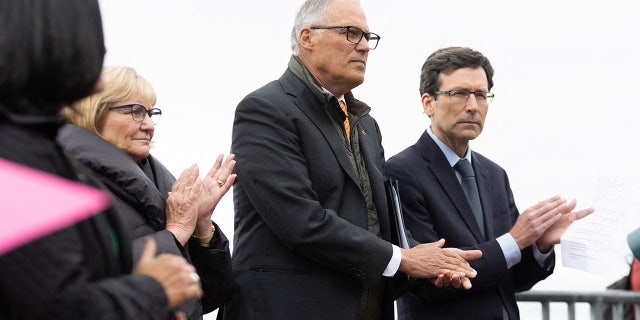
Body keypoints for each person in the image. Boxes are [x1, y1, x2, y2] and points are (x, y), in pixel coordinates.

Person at [221, 1, 482, 319]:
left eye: (367, 37)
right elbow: (302, 223)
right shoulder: (265, 109)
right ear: (307, 37)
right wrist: (404, 259)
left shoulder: (365, 125)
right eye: (350, 33)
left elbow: (376, 222)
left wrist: (428, 261)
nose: (363, 47)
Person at [0, 0, 204, 319]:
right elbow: (57, 307)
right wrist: (152, 290)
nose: (104, 50)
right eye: (90, 36)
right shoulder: (18, 159)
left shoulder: (38, 148)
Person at [385, 46, 594, 319]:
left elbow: (513, 279)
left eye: (481, 95)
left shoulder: (494, 174)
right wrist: (515, 239)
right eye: (459, 93)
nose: (473, 106)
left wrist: (539, 245)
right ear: (428, 103)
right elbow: (425, 282)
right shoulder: (401, 171)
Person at [58, 66, 235, 319]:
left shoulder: (157, 184)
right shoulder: (66, 180)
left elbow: (207, 296)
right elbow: (83, 286)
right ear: (94, 111)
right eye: (136, 112)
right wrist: (174, 233)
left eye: (151, 113)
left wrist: (200, 227)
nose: (150, 126)